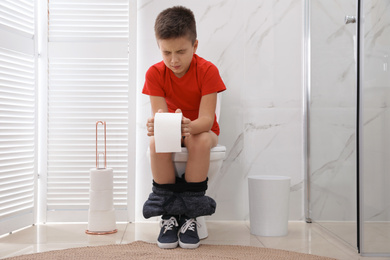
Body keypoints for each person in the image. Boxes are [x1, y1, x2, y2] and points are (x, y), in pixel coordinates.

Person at [142, 6, 226, 250]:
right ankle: (169, 215)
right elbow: (159, 115)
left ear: (195, 46)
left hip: (202, 131)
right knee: (155, 143)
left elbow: (207, 121)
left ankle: (189, 214)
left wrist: (185, 126)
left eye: (181, 51)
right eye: (166, 52)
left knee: (197, 141)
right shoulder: (154, 74)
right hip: (172, 130)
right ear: (159, 47)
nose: (173, 60)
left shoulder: (207, 71)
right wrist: (155, 124)